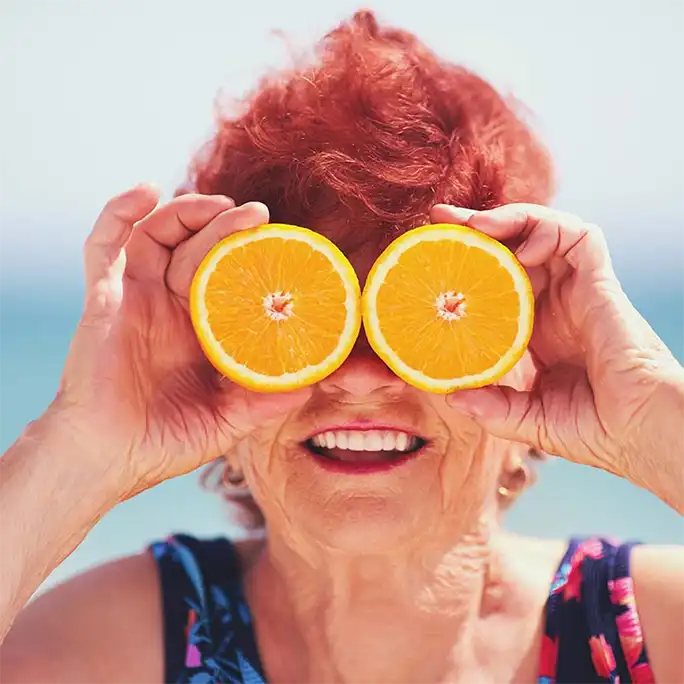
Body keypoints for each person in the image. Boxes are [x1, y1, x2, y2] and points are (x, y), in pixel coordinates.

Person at [0, 10, 682, 684]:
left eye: (416, 320)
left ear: (532, 353)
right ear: (215, 350)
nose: (359, 378)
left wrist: (651, 415)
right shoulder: (99, 653)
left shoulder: (654, 630)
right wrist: (79, 453)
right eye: (301, 322)